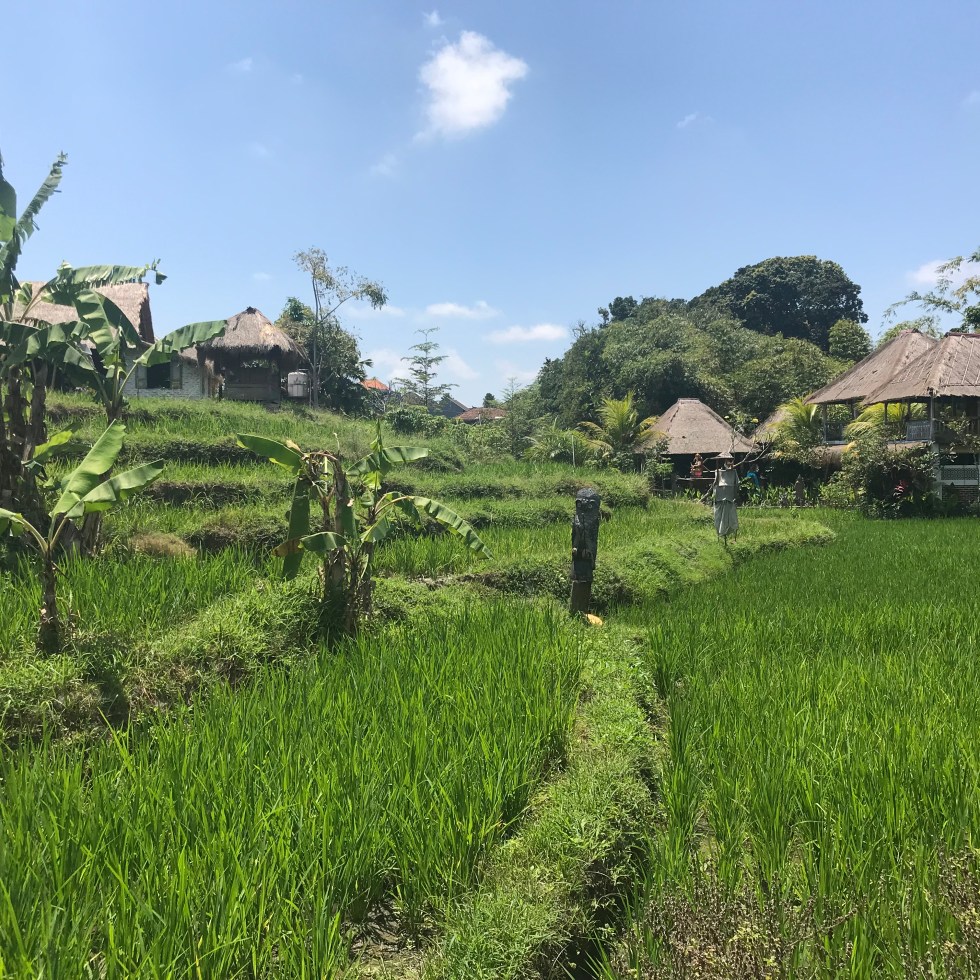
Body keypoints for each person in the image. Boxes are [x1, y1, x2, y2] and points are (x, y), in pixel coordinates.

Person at [711, 453, 739, 543]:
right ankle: (720, 537)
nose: (729, 463)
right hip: (720, 499)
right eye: (727, 461)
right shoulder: (718, 472)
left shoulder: (734, 473)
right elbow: (715, 484)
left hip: (730, 499)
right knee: (719, 518)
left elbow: (736, 485)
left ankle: (733, 539)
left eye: (730, 461)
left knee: (732, 519)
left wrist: (736, 496)